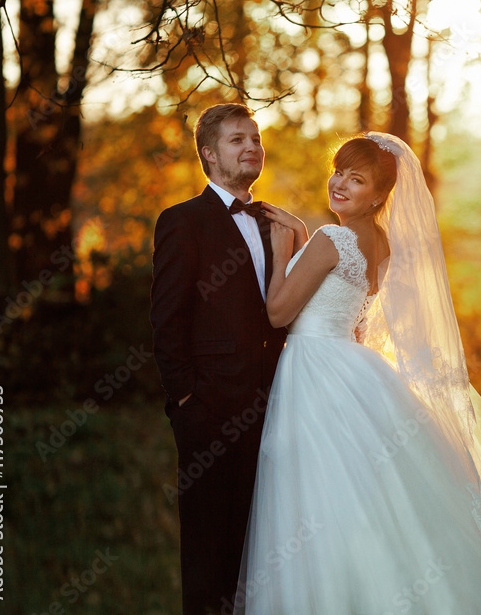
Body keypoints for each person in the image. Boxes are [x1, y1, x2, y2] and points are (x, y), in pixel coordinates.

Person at [233, 132, 481, 613]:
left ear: (380, 196)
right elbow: (351, 309)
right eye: (339, 170)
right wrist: (305, 236)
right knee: (365, 497)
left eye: (357, 178)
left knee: (318, 494)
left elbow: (280, 314)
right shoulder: (381, 243)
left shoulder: (330, 238)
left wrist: (284, 250)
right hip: (351, 365)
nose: (340, 182)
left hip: (314, 369)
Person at [150, 103, 307, 614]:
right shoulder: (182, 222)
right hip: (210, 413)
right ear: (209, 154)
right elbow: (167, 320)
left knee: (266, 554)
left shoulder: (277, 223)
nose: (251, 147)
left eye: (256, 139)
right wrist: (187, 401)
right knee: (209, 559)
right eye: (238, 139)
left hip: (277, 411)